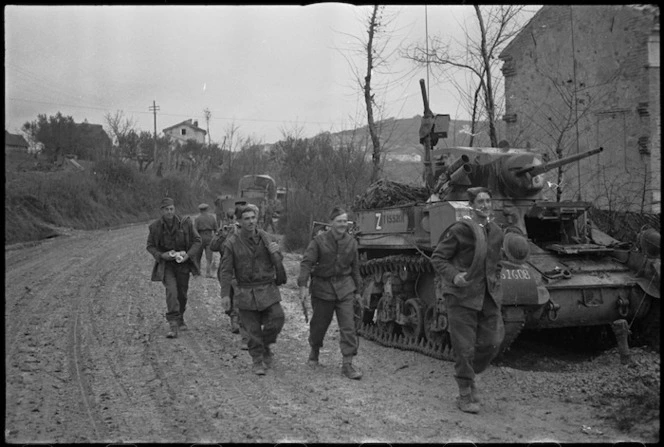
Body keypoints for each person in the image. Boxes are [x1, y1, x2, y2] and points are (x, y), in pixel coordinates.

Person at [430, 186, 505, 414]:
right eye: (480, 201)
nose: (485, 205)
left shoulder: (496, 232)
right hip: (462, 296)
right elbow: (438, 258)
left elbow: (496, 262)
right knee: (464, 348)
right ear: (471, 206)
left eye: (488, 201)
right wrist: (455, 276)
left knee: (492, 342)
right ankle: (464, 393)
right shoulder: (460, 230)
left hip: (488, 296)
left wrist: (496, 279)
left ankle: (471, 377)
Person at [297, 206, 363, 380]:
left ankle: (347, 364)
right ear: (331, 223)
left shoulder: (351, 243)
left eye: (345, 221)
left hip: (345, 288)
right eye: (339, 221)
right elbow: (307, 263)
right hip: (323, 288)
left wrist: (358, 292)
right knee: (319, 325)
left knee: (348, 326)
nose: (343, 225)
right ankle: (314, 351)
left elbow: (355, 269)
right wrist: (303, 285)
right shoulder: (319, 242)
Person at [219, 203, 285, 375]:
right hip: (246, 291)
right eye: (246, 218)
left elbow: (278, 260)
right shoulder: (231, 243)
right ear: (239, 221)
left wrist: (276, 252)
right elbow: (225, 270)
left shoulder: (266, 237)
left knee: (277, 318)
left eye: (253, 218)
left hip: (267, 288)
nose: (250, 222)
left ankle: (265, 346)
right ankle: (257, 360)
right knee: (252, 330)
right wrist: (225, 294)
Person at [146, 197, 202, 338]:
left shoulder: (186, 223)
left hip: (183, 264)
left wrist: (187, 255)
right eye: (166, 209)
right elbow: (150, 246)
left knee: (182, 294)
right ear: (161, 211)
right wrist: (161, 255)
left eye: (171, 209)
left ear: (174, 209)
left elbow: (197, 241)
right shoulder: (155, 227)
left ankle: (180, 317)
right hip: (167, 265)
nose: (169, 212)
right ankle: (173, 324)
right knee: (171, 291)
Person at [194, 203, 218, 277]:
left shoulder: (197, 218)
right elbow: (216, 228)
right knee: (209, 256)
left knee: (198, 256)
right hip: (209, 236)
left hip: (200, 236)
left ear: (200, 210)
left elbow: (194, 230)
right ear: (207, 209)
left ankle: (197, 271)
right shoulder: (211, 217)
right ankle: (208, 272)